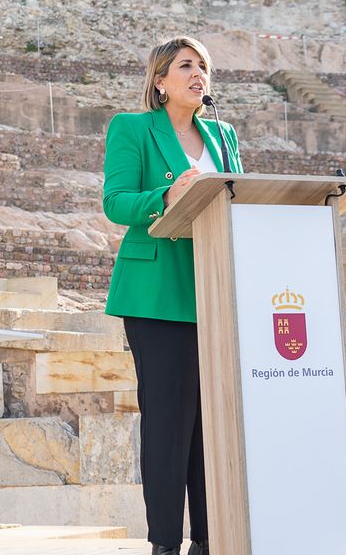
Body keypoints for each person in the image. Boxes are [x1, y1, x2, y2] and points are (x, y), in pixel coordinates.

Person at [102, 35, 242, 555]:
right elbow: (115, 202)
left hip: (216, 290)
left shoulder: (224, 135)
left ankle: (209, 538)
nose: (198, 74)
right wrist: (167, 194)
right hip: (157, 295)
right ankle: (165, 541)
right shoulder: (132, 128)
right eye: (186, 65)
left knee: (213, 423)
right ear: (160, 81)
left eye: (203, 66)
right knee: (168, 423)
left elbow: (240, 200)